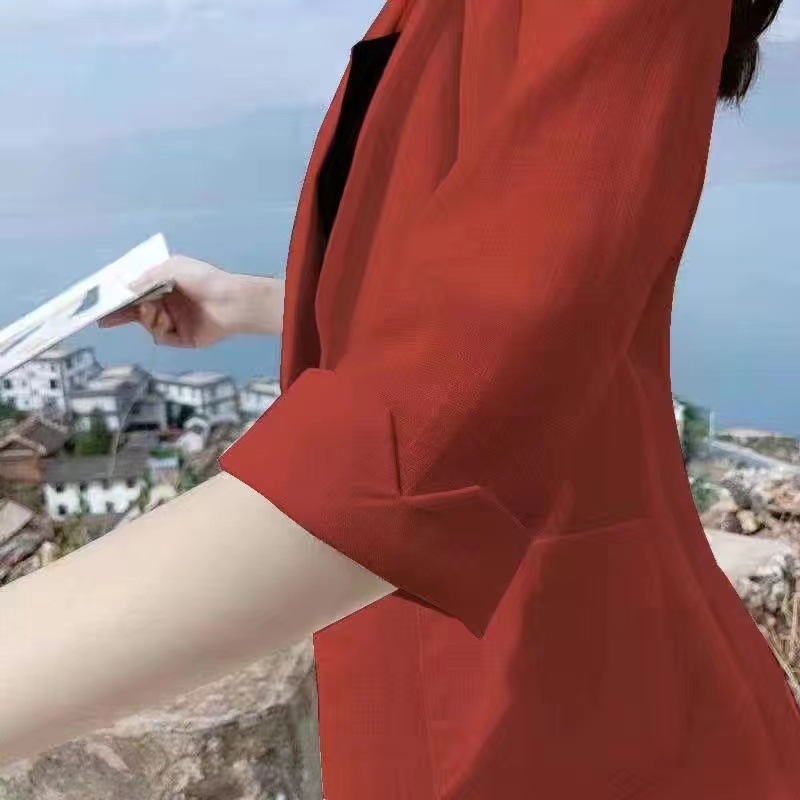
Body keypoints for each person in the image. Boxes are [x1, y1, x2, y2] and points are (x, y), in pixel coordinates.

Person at [1, 0, 796, 797]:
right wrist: (252, 304)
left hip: (574, 711)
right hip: (489, 676)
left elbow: (433, 433)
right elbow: (496, 314)